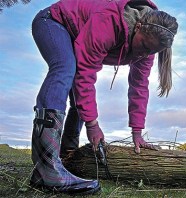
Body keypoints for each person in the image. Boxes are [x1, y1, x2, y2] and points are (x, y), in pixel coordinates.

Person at [31, 0, 178, 195]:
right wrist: (92, 125)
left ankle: (66, 159)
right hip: (54, 22)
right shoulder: (109, 20)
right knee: (65, 68)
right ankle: (46, 167)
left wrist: (137, 132)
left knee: (80, 102)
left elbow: (139, 87)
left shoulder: (148, 47)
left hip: (76, 36)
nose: (143, 53)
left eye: (151, 52)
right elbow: (85, 72)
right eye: (143, 45)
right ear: (139, 26)